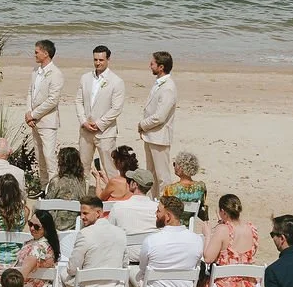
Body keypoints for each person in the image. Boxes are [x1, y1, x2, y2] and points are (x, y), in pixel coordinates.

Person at [199, 194, 259, 287]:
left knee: (200, 282)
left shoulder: (223, 230)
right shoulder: (252, 228)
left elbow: (208, 258)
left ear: (223, 212)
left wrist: (208, 235)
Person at [62, 197, 128, 287]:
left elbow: (72, 269)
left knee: (63, 274)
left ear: (98, 213)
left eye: (85, 213)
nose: (82, 217)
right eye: (81, 213)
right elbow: (125, 264)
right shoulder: (121, 233)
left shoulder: (85, 234)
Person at [133, 196, 202, 287]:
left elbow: (143, 267)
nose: (156, 214)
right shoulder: (197, 240)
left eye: (158, 211)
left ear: (168, 216)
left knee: (132, 272)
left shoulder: (151, 240)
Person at [74, 46, 126, 180]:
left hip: (105, 132)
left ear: (108, 59)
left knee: (110, 168)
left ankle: (113, 196)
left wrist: (98, 124)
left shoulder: (116, 81)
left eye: (101, 60)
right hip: (86, 131)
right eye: (95, 60)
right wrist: (83, 121)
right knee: (83, 167)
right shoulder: (85, 78)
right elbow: (79, 101)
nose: (98, 63)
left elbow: (116, 108)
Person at [24, 40, 65, 191]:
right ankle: (43, 188)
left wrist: (34, 114)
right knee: (39, 156)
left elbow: (52, 100)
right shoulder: (35, 71)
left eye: (36, 52)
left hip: (47, 121)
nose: (34, 54)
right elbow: (30, 92)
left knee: (49, 156)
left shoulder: (56, 73)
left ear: (46, 53)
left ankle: (53, 189)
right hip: (34, 120)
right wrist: (28, 112)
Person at [137, 50, 178, 195]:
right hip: (151, 135)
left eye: (152, 63)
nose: (150, 65)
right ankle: (153, 201)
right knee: (151, 174)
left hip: (159, 137)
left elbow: (160, 116)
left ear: (161, 67)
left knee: (163, 176)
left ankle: (165, 204)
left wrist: (142, 125)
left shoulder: (168, 87)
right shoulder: (160, 83)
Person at [16, 207, 59, 287]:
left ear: (45, 228)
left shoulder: (38, 248)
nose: (32, 228)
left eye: (36, 226)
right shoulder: (46, 244)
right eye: (30, 224)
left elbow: (22, 274)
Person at [42, 146, 88, 230]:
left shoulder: (57, 181)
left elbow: (47, 203)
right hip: (75, 223)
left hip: (56, 225)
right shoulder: (81, 181)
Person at [107, 167, 159, 236]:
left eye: (130, 180)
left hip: (127, 246)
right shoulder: (157, 208)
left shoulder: (118, 207)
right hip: (151, 245)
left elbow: (109, 233)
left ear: (135, 184)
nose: (128, 183)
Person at [162, 151, 209, 222]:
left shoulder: (170, 189)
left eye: (175, 164)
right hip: (191, 221)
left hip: (174, 223)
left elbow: (164, 208)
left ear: (180, 168)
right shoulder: (201, 187)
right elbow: (201, 205)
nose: (174, 167)